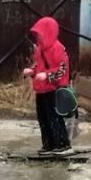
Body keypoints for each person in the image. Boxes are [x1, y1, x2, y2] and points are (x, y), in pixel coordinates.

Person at [23, 16, 72, 156]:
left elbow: (63, 68)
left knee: (54, 117)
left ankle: (62, 144)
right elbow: (38, 66)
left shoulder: (57, 48)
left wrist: (48, 76)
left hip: (53, 89)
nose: (38, 37)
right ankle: (48, 144)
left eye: (40, 34)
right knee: (43, 118)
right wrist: (31, 71)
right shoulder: (40, 49)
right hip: (41, 89)